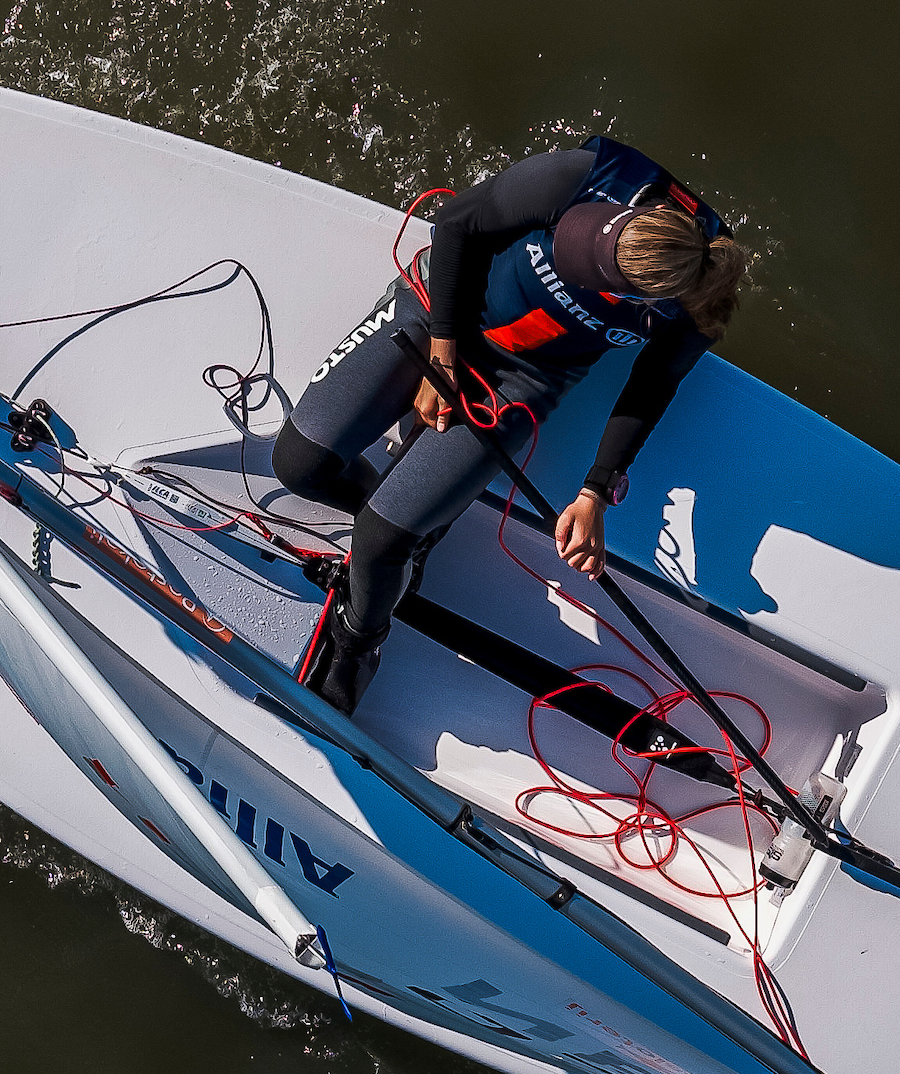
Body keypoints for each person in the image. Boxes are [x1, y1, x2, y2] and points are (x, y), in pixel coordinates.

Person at [272, 137, 748, 714]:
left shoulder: (692, 305)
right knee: (299, 464)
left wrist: (596, 490)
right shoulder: (591, 174)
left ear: (639, 296)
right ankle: (410, 518)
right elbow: (455, 224)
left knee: (379, 542)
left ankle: (358, 643)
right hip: (436, 312)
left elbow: (651, 386)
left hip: (521, 381)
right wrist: (443, 353)